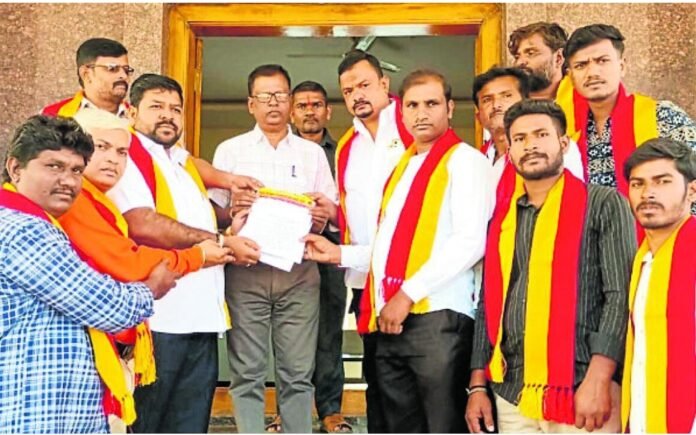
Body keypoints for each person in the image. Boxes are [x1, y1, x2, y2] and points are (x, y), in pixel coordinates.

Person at [305, 69, 495, 432]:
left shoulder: (466, 161)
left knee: (442, 425)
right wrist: (338, 254)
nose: (421, 113)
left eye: (431, 104)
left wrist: (406, 295)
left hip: (438, 317)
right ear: (401, 111)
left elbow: (470, 242)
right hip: (391, 317)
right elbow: (388, 249)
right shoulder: (403, 168)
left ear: (450, 108)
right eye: (413, 106)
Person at [57, 108, 236, 431]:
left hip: (170, 319)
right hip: (93, 341)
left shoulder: (101, 196)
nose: (113, 160)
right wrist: (196, 256)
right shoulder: (76, 199)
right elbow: (127, 262)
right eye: (101, 147)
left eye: (121, 152)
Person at [466, 99, 636, 433]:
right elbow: (489, 304)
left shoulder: (603, 204)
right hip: (511, 390)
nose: (530, 145)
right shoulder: (503, 219)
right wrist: (477, 386)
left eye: (541, 134)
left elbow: (619, 295)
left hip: (582, 386)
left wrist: (600, 378)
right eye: (520, 138)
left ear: (564, 143)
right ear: (510, 151)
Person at [0, 115, 177, 433]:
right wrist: (152, 287)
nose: (68, 181)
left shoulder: (34, 223)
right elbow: (108, 307)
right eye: (54, 166)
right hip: (34, 415)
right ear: (15, 168)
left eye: (76, 170)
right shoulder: (23, 229)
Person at [106, 73, 261, 433]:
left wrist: (235, 219)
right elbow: (142, 223)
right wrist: (221, 242)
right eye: (156, 106)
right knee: (148, 423)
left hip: (201, 317)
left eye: (176, 109)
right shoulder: (127, 155)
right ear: (131, 111)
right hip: (158, 319)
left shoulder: (181, 160)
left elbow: (197, 217)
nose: (168, 115)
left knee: (190, 424)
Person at [209, 64, 337, 434]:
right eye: (265, 96)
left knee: (298, 373)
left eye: (281, 95)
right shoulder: (230, 151)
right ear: (251, 104)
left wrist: (320, 216)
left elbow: (328, 213)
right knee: (247, 372)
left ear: (290, 101)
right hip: (245, 272)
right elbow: (214, 212)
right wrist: (233, 212)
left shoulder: (312, 154)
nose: (274, 103)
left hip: (299, 275)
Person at [40, 37, 260, 197]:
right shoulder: (56, 116)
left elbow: (181, 160)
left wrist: (229, 180)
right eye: (112, 69)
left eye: (126, 70)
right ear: (86, 73)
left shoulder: (144, 119)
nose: (122, 76)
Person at [334, 49, 414, 433]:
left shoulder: (412, 125)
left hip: (413, 281)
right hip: (364, 280)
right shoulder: (347, 145)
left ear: (385, 83)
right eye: (348, 91)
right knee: (378, 383)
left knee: (413, 388)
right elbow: (349, 210)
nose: (357, 95)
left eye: (364, 85)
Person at [561, 24, 696, 200]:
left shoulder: (662, 117)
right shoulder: (565, 134)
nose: (592, 72)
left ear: (622, 66)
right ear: (571, 76)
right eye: (581, 65)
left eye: (602, 61)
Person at [288, 80, 350, 433]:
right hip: (288, 256)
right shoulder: (281, 151)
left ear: (328, 111)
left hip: (330, 253)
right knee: (289, 335)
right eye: (302, 105)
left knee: (328, 333)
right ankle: (287, 410)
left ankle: (330, 410)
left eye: (316, 105)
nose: (309, 111)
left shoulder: (344, 154)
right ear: (292, 112)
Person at [621, 138, 695, 433]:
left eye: (662, 181)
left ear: (692, 190)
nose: (648, 193)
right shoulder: (642, 261)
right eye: (637, 184)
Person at [472, 67, 584, 188]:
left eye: (506, 96)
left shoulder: (554, 146)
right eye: (487, 100)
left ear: (526, 102)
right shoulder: (475, 160)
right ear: (478, 116)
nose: (496, 105)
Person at [508, 22, 571, 101]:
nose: (520, 62)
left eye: (530, 53)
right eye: (517, 57)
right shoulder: (504, 104)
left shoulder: (580, 101)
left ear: (558, 58)